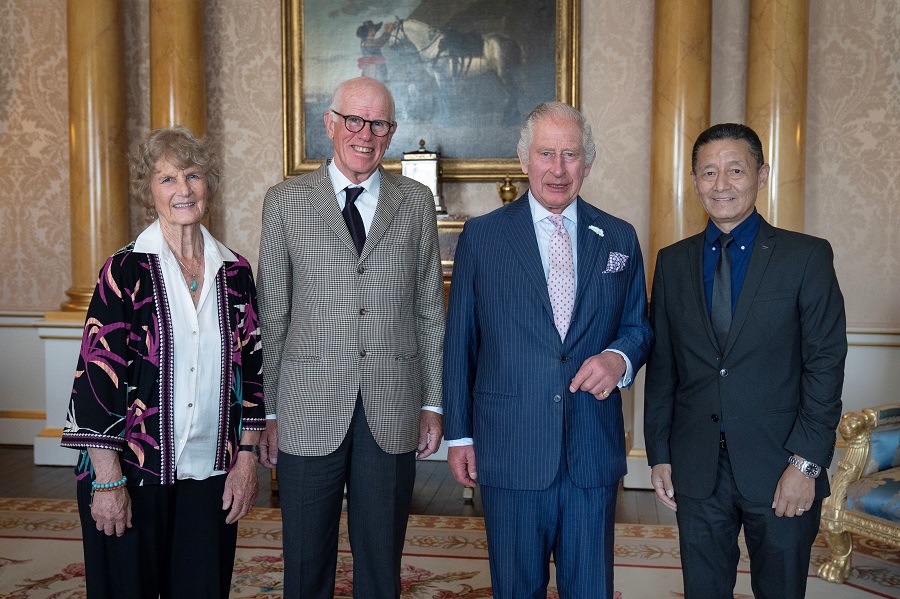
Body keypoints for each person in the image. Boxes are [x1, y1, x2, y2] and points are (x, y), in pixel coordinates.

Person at [443, 101, 654, 598]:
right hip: (510, 447)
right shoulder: (483, 236)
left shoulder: (618, 236)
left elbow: (639, 326)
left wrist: (619, 357)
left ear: (588, 162)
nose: (558, 169)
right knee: (516, 588)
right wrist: (459, 433)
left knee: (590, 588)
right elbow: (461, 341)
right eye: (546, 154)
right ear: (523, 158)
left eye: (571, 155)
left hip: (590, 449)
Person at [257, 76, 445, 599]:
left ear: (391, 132)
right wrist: (268, 413)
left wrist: (433, 404)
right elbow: (272, 315)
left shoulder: (415, 202)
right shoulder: (285, 201)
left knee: (382, 559)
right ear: (330, 124)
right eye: (354, 120)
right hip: (305, 408)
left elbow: (429, 308)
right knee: (305, 556)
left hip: (392, 405)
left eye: (379, 123)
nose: (366, 133)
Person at [644, 123, 847, 598]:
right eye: (709, 172)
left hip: (781, 465)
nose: (721, 184)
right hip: (696, 466)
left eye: (735, 170)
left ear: (761, 175)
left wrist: (807, 464)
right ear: (694, 181)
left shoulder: (806, 256)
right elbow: (665, 366)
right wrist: (660, 452)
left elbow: (826, 365)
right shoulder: (672, 262)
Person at [61, 126, 266, 598]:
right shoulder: (125, 269)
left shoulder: (235, 272)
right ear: (148, 190)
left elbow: (252, 374)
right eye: (167, 179)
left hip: (211, 473)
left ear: (208, 183)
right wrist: (108, 482)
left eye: (192, 175)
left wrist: (247, 460)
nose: (183, 190)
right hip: (131, 472)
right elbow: (95, 378)